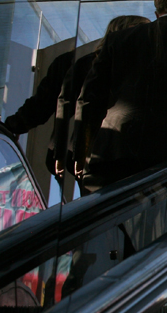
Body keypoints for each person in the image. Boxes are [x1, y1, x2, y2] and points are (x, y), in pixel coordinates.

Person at [72, 0, 167, 193]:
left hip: (114, 152)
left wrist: (81, 152)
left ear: (156, 12)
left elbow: (89, 99)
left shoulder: (118, 39)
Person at [53, 15, 151, 192]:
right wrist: (64, 152)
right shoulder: (91, 64)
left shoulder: (97, 63)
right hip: (94, 149)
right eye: (140, 30)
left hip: (105, 149)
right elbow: (67, 102)